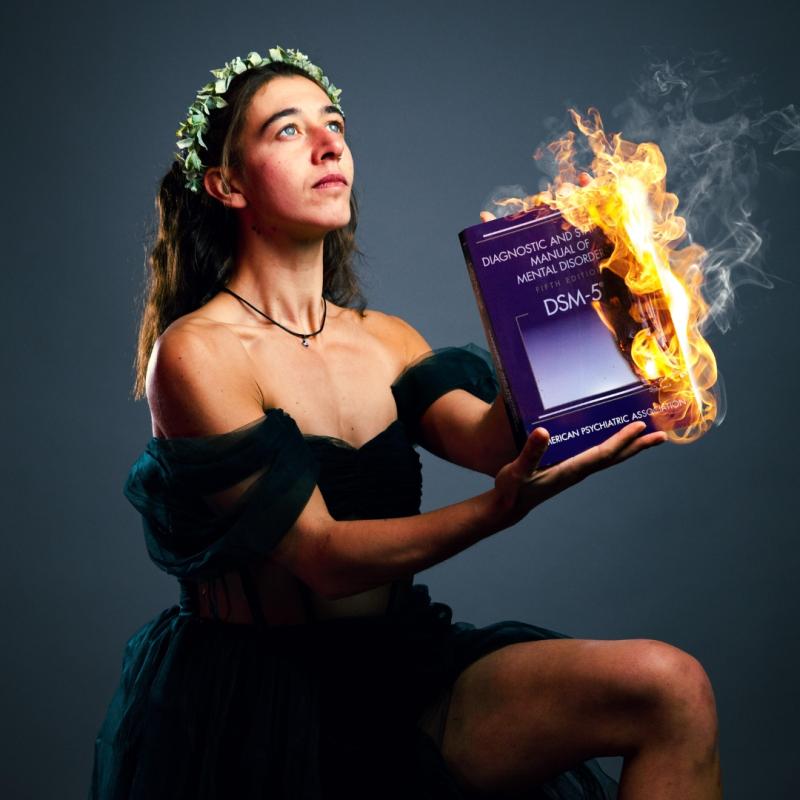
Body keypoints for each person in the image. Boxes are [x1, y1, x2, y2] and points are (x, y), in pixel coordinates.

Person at [90, 47, 722, 800]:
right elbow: (320, 556)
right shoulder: (196, 353)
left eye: (334, 125)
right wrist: (497, 510)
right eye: (288, 132)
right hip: (260, 707)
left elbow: (498, 443)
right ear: (227, 184)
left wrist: (584, 294)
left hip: (402, 670)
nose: (329, 145)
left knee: (669, 688)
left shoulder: (386, 338)